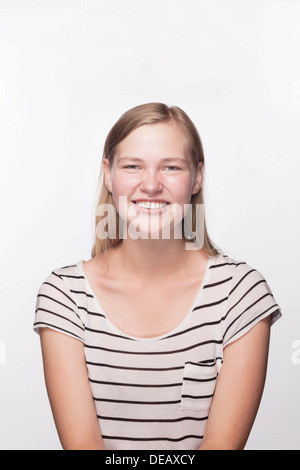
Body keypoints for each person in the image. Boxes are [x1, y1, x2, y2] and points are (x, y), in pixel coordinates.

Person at [33, 102, 281, 450]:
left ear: (196, 177)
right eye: (133, 166)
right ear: (108, 174)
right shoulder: (66, 296)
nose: (151, 185)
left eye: (171, 167)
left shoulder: (239, 294)